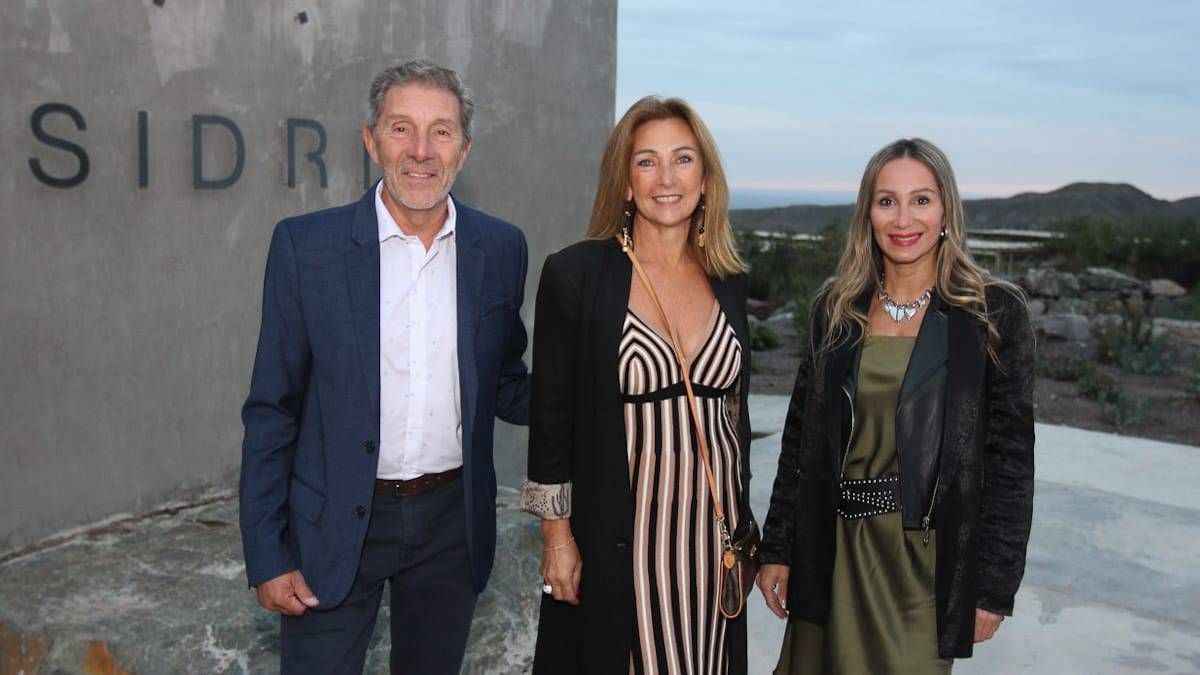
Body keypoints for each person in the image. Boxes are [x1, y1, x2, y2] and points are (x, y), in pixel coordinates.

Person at [238, 59, 530, 674]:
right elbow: (273, 409)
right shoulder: (305, 247)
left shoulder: (501, 249)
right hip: (333, 526)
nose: (421, 150)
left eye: (441, 131)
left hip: (452, 526)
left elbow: (506, 382)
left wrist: (605, 375)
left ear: (465, 149)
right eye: (401, 128)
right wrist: (268, 553)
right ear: (371, 141)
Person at [757, 138, 1035, 673]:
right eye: (887, 201)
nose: (903, 218)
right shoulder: (835, 310)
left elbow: (1009, 463)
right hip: (831, 553)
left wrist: (994, 585)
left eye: (921, 200)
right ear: (867, 214)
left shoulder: (991, 314)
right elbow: (801, 441)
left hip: (923, 565)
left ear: (946, 210)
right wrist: (779, 549)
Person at [519, 96, 755, 675]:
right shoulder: (576, 275)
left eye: (683, 159)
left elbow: (734, 415)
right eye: (647, 162)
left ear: (706, 177)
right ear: (624, 182)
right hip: (623, 548)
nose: (667, 178)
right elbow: (552, 420)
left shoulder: (729, 280)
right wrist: (557, 538)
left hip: (710, 543)